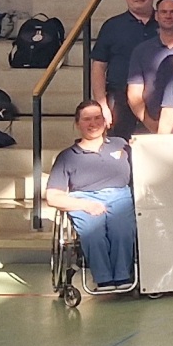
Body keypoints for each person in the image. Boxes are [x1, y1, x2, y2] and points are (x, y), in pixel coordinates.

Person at [44, 102, 136, 289]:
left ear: (105, 121)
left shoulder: (121, 145)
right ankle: (103, 278)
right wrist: (85, 205)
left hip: (120, 195)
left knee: (123, 230)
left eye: (97, 118)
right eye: (87, 119)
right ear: (77, 124)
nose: (93, 123)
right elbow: (53, 196)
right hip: (83, 198)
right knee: (93, 233)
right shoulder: (67, 156)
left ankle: (123, 277)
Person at [90, 0, 157, 137]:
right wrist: (102, 104)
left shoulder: (166, 22)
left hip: (158, 98)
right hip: (120, 99)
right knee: (119, 148)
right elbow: (99, 66)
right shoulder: (112, 26)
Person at [125, 0, 173, 132]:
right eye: (164, 12)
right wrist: (151, 125)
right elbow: (134, 95)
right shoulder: (141, 50)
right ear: (156, 16)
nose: (168, 16)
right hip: (150, 125)